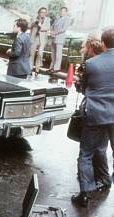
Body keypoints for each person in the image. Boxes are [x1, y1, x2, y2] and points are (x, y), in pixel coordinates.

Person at [72, 29, 114, 206]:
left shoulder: (90, 64)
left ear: (103, 43)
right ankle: (106, 180)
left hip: (96, 114)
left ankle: (84, 194)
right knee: (107, 150)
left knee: (86, 154)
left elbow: (82, 88)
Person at [48, 7, 73, 72]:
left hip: (60, 38)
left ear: (66, 12)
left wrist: (55, 32)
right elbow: (52, 26)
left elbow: (64, 28)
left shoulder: (67, 19)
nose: (61, 12)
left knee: (58, 54)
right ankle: (51, 67)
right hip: (53, 37)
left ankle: (56, 68)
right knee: (53, 53)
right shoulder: (57, 18)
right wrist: (51, 31)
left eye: (63, 11)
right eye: (60, 11)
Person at [29, 7, 50, 73]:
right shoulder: (34, 18)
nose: (43, 13)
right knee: (31, 53)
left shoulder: (48, 19)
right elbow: (29, 26)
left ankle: (37, 68)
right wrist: (33, 23)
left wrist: (40, 26)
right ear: (39, 13)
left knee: (40, 54)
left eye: (45, 12)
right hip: (34, 38)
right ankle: (30, 67)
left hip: (42, 39)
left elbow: (47, 28)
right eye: (42, 12)